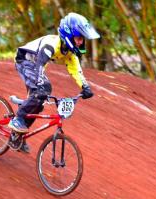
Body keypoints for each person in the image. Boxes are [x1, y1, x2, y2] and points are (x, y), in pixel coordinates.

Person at [9, 12, 100, 153]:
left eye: (82, 39)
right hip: (24, 61)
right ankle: (18, 119)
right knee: (44, 89)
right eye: (78, 38)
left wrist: (85, 87)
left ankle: (16, 136)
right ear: (69, 35)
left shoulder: (70, 53)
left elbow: (76, 71)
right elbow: (39, 65)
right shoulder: (51, 45)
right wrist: (41, 86)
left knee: (38, 105)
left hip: (35, 66)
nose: (81, 42)